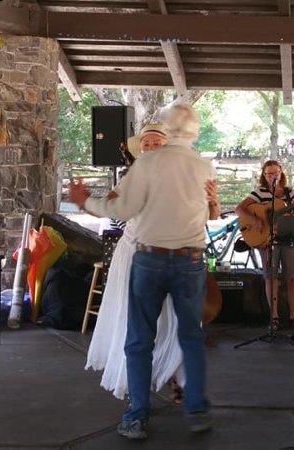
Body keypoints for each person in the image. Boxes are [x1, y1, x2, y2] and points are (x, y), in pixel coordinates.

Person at [69, 102, 219, 441]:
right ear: (193, 131)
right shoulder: (203, 166)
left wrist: (85, 201)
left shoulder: (150, 165)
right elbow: (203, 213)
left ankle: (137, 415)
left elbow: (122, 208)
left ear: (167, 130)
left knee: (139, 339)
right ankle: (195, 408)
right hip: (190, 259)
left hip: (151, 257)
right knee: (191, 336)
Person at [84, 123, 186, 404]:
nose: (151, 148)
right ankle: (133, 388)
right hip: (135, 254)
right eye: (147, 144)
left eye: (157, 143)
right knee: (135, 323)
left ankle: (176, 376)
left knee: (176, 319)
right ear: (140, 149)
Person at [235, 160, 294, 331]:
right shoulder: (259, 192)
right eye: (268, 173)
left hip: (288, 238)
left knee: (292, 278)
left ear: (281, 173)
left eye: (275, 173)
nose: (272, 176)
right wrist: (255, 220)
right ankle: (274, 317)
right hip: (267, 241)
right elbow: (239, 209)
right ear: (264, 175)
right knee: (271, 277)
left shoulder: (290, 193)